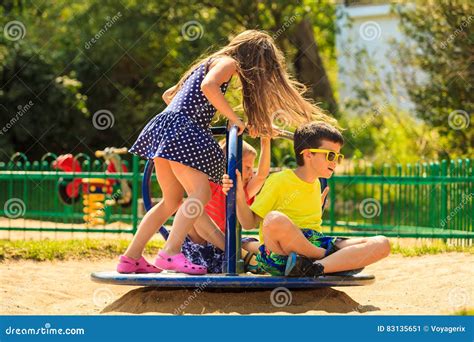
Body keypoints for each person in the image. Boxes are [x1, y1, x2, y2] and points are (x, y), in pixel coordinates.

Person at [117, 29, 336, 275]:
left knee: (171, 201)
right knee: (199, 193)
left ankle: (131, 257)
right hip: (180, 133)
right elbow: (209, 86)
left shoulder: (203, 64)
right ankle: (170, 252)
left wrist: (197, 118)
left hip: (165, 128)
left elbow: (169, 95)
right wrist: (232, 119)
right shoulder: (228, 62)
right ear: (252, 58)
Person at [222, 121, 390, 277]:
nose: (336, 162)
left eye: (338, 157)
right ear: (308, 154)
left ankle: (316, 268)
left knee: (382, 243)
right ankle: (329, 258)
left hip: (314, 243)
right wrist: (239, 197)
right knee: (274, 219)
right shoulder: (279, 180)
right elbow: (249, 223)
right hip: (281, 254)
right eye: (331, 155)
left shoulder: (317, 184)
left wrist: (318, 210)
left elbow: (311, 226)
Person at [181, 137, 270, 273]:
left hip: (227, 243)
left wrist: (265, 141)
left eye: (253, 168)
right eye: (247, 167)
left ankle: (276, 258)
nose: (252, 173)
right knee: (194, 209)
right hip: (201, 244)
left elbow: (262, 176)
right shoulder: (209, 185)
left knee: (253, 245)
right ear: (230, 165)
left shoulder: (242, 191)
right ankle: (242, 255)